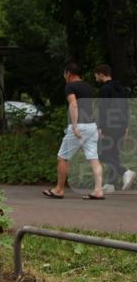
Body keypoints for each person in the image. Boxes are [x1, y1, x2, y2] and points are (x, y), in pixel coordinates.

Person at [43, 62, 104, 200]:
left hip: (79, 126)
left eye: (64, 73)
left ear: (68, 73)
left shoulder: (69, 86)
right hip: (91, 126)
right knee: (94, 159)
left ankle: (59, 189)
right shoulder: (88, 86)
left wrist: (75, 125)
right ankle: (98, 190)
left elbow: (74, 104)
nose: (64, 76)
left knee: (63, 158)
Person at [95, 64, 135, 191]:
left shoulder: (104, 89)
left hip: (109, 125)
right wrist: (126, 125)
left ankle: (124, 172)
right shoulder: (121, 89)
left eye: (96, 75)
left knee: (102, 153)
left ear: (101, 74)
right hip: (121, 125)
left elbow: (102, 109)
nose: (96, 78)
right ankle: (110, 184)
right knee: (113, 152)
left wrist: (100, 127)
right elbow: (126, 107)